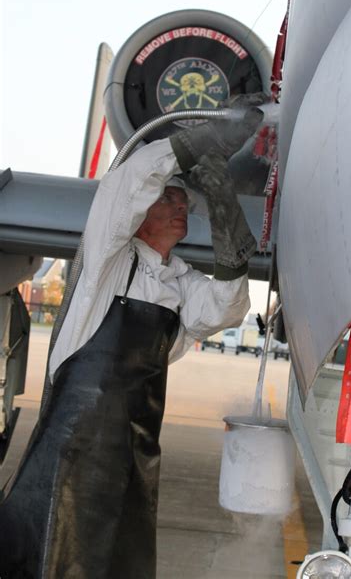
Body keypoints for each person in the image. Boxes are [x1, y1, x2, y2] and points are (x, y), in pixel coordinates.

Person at [0, 94, 264, 579]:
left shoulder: (180, 283)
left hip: (133, 464)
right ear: (139, 212)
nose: (179, 202)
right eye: (168, 197)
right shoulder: (105, 262)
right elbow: (131, 177)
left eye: (184, 199)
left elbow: (229, 304)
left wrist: (225, 204)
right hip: (69, 461)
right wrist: (210, 137)